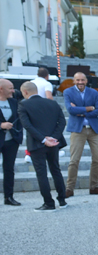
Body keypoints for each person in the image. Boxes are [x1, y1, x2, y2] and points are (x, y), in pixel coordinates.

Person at [16, 81, 68, 211]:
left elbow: (27, 126)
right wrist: (53, 137)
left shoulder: (23, 104)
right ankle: (62, 200)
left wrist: (43, 140)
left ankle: (49, 203)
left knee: (41, 174)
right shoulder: (52, 103)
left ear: (25, 92)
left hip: (37, 144)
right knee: (56, 170)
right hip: (54, 143)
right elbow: (62, 122)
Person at [64, 72, 98, 197]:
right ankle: (69, 189)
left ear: (86, 81)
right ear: (74, 80)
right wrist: (89, 108)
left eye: (82, 80)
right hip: (78, 130)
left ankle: (94, 187)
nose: (80, 82)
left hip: (94, 130)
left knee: (97, 160)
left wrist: (81, 111)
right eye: (78, 80)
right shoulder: (68, 92)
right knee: (74, 160)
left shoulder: (93, 92)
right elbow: (70, 110)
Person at [0, 79, 24, 205]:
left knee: (9, 169)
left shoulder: (14, 102)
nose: (13, 90)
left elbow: (19, 119)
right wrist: (1, 125)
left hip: (11, 141)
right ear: (1, 89)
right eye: (10, 88)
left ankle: (8, 197)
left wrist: (18, 133)